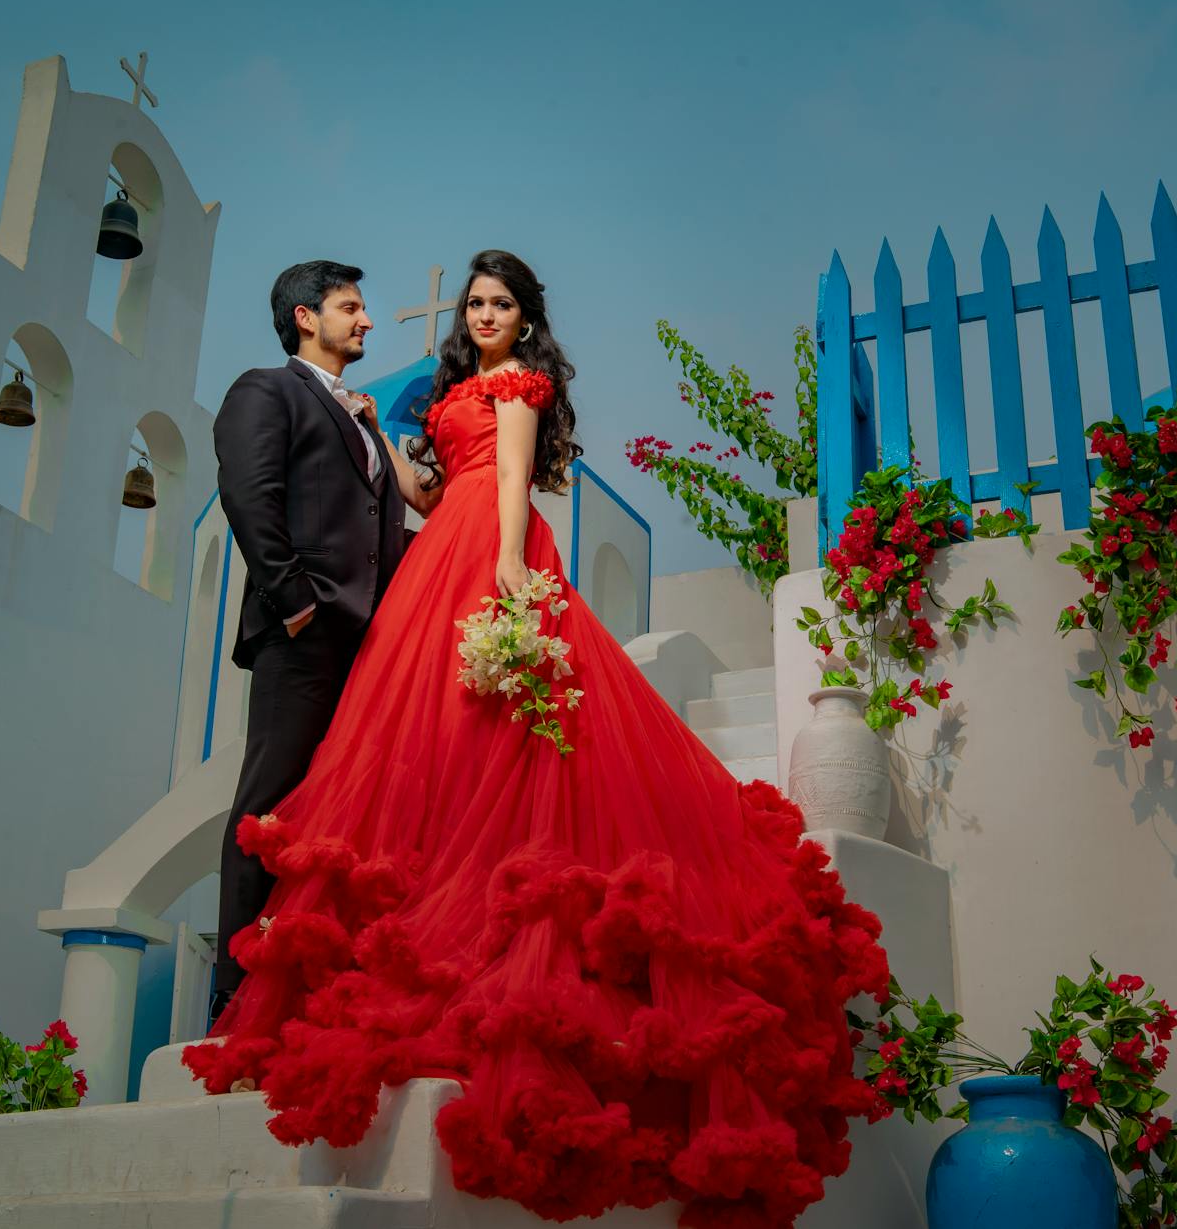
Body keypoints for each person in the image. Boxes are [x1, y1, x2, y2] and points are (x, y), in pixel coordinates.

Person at [187, 250, 888, 1228]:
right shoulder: (444, 391)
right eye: (473, 302)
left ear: (525, 315)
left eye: (499, 301)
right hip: (440, 549)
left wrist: (513, 570)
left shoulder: (519, 381)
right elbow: (429, 497)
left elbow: (511, 475)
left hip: (495, 548)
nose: (481, 313)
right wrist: (380, 448)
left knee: (509, 736)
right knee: (439, 742)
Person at [208, 260, 420, 1018]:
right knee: (267, 808)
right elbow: (248, 494)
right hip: (301, 636)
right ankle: (234, 989)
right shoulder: (265, 390)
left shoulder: (361, 416)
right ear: (306, 316)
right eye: (350, 307)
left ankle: (303, 986)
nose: (366, 321)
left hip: (365, 648)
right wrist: (294, 601)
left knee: (338, 812)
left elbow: (380, 526)